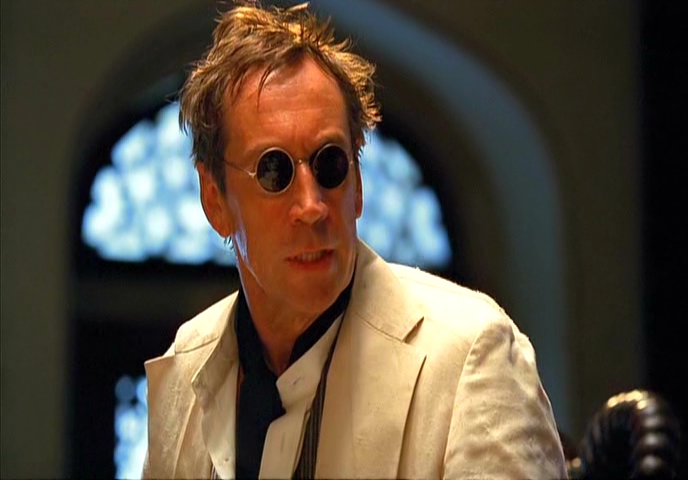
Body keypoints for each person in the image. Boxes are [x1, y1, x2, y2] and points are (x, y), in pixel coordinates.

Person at [143, 2, 567, 479]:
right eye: (274, 170)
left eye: (330, 164)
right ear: (214, 200)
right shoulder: (187, 367)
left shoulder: (471, 355)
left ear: (359, 184)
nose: (311, 205)